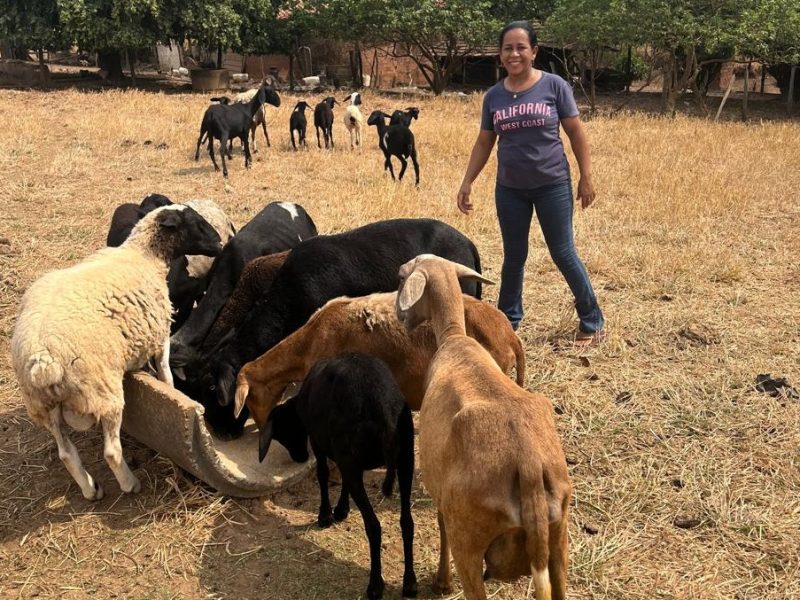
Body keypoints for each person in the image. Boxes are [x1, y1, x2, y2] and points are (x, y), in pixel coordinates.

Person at [456, 20, 605, 346]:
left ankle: (592, 321)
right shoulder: (493, 97)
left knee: (563, 253)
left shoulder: (554, 86)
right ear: (500, 55)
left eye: (521, 47)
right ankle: (507, 321)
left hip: (552, 184)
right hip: (510, 189)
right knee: (513, 256)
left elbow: (576, 133)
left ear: (534, 51)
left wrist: (586, 176)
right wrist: (467, 181)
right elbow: (484, 142)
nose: (514, 53)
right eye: (508, 48)